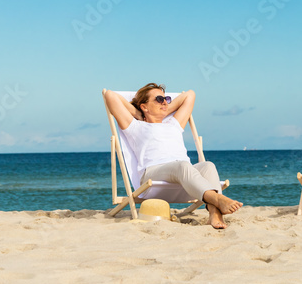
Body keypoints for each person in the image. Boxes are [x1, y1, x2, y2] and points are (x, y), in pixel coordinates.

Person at [103, 84, 242, 229]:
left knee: (208, 166)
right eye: (159, 99)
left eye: (166, 99)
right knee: (182, 165)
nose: (165, 102)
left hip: (184, 177)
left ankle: (215, 214)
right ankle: (218, 198)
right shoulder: (136, 127)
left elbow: (190, 94)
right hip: (153, 174)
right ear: (144, 106)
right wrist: (139, 114)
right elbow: (110, 96)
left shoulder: (173, 124)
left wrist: (163, 108)